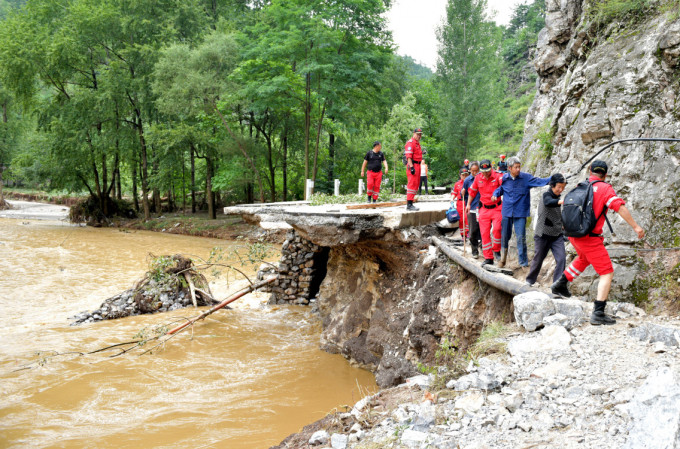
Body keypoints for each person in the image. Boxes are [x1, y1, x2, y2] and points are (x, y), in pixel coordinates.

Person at [551, 160, 645, 325]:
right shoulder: (604, 188)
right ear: (605, 174)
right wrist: (636, 227)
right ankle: (598, 313)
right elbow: (619, 206)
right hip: (589, 237)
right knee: (606, 272)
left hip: (573, 234)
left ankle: (560, 284)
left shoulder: (579, 186)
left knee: (583, 259)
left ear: (590, 171)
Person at [492, 156, 550, 269]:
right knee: (504, 237)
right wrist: (495, 194)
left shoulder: (526, 178)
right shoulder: (505, 178)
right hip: (507, 212)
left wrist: (553, 179)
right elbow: (501, 189)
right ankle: (502, 260)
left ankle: (523, 263)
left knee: (521, 238)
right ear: (509, 168)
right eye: (516, 167)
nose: (518, 169)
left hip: (520, 213)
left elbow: (540, 181)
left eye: (519, 167)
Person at [525, 173, 567, 286]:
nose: (561, 189)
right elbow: (549, 202)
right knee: (538, 259)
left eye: (563, 187)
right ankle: (529, 280)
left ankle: (557, 285)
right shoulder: (546, 195)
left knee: (561, 259)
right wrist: (563, 202)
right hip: (542, 235)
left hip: (557, 236)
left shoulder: (557, 197)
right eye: (559, 187)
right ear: (552, 185)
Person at [466, 159, 503, 266]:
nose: (485, 173)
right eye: (483, 171)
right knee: (484, 234)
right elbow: (472, 192)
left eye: (487, 171)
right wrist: (468, 204)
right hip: (484, 210)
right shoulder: (478, 178)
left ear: (491, 168)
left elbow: (504, 186)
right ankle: (488, 258)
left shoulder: (497, 176)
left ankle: (496, 250)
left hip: (497, 208)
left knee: (497, 229)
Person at [462, 161, 482, 258]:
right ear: (470, 171)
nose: (475, 172)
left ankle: (483, 247)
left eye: (477, 170)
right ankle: (474, 250)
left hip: (482, 207)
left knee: (483, 229)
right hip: (472, 208)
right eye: (473, 171)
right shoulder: (467, 181)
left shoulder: (483, 178)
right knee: (472, 230)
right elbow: (465, 195)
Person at [404, 128, 423, 211]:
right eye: (418, 134)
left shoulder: (417, 144)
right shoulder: (410, 143)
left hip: (418, 165)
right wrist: (411, 167)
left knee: (416, 184)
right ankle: (409, 205)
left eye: (420, 134)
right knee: (412, 184)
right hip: (413, 165)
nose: (419, 136)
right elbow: (408, 157)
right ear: (414, 134)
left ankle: (411, 202)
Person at [451, 167, 470, 239]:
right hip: (459, 203)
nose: (465, 177)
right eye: (463, 175)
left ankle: (468, 232)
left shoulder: (470, 182)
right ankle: (463, 234)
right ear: (460, 175)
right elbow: (454, 193)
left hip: (467, 202)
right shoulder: (457, 184)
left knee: (467, 218)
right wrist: (452, 199)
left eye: (466, 175)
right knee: (461, 220)